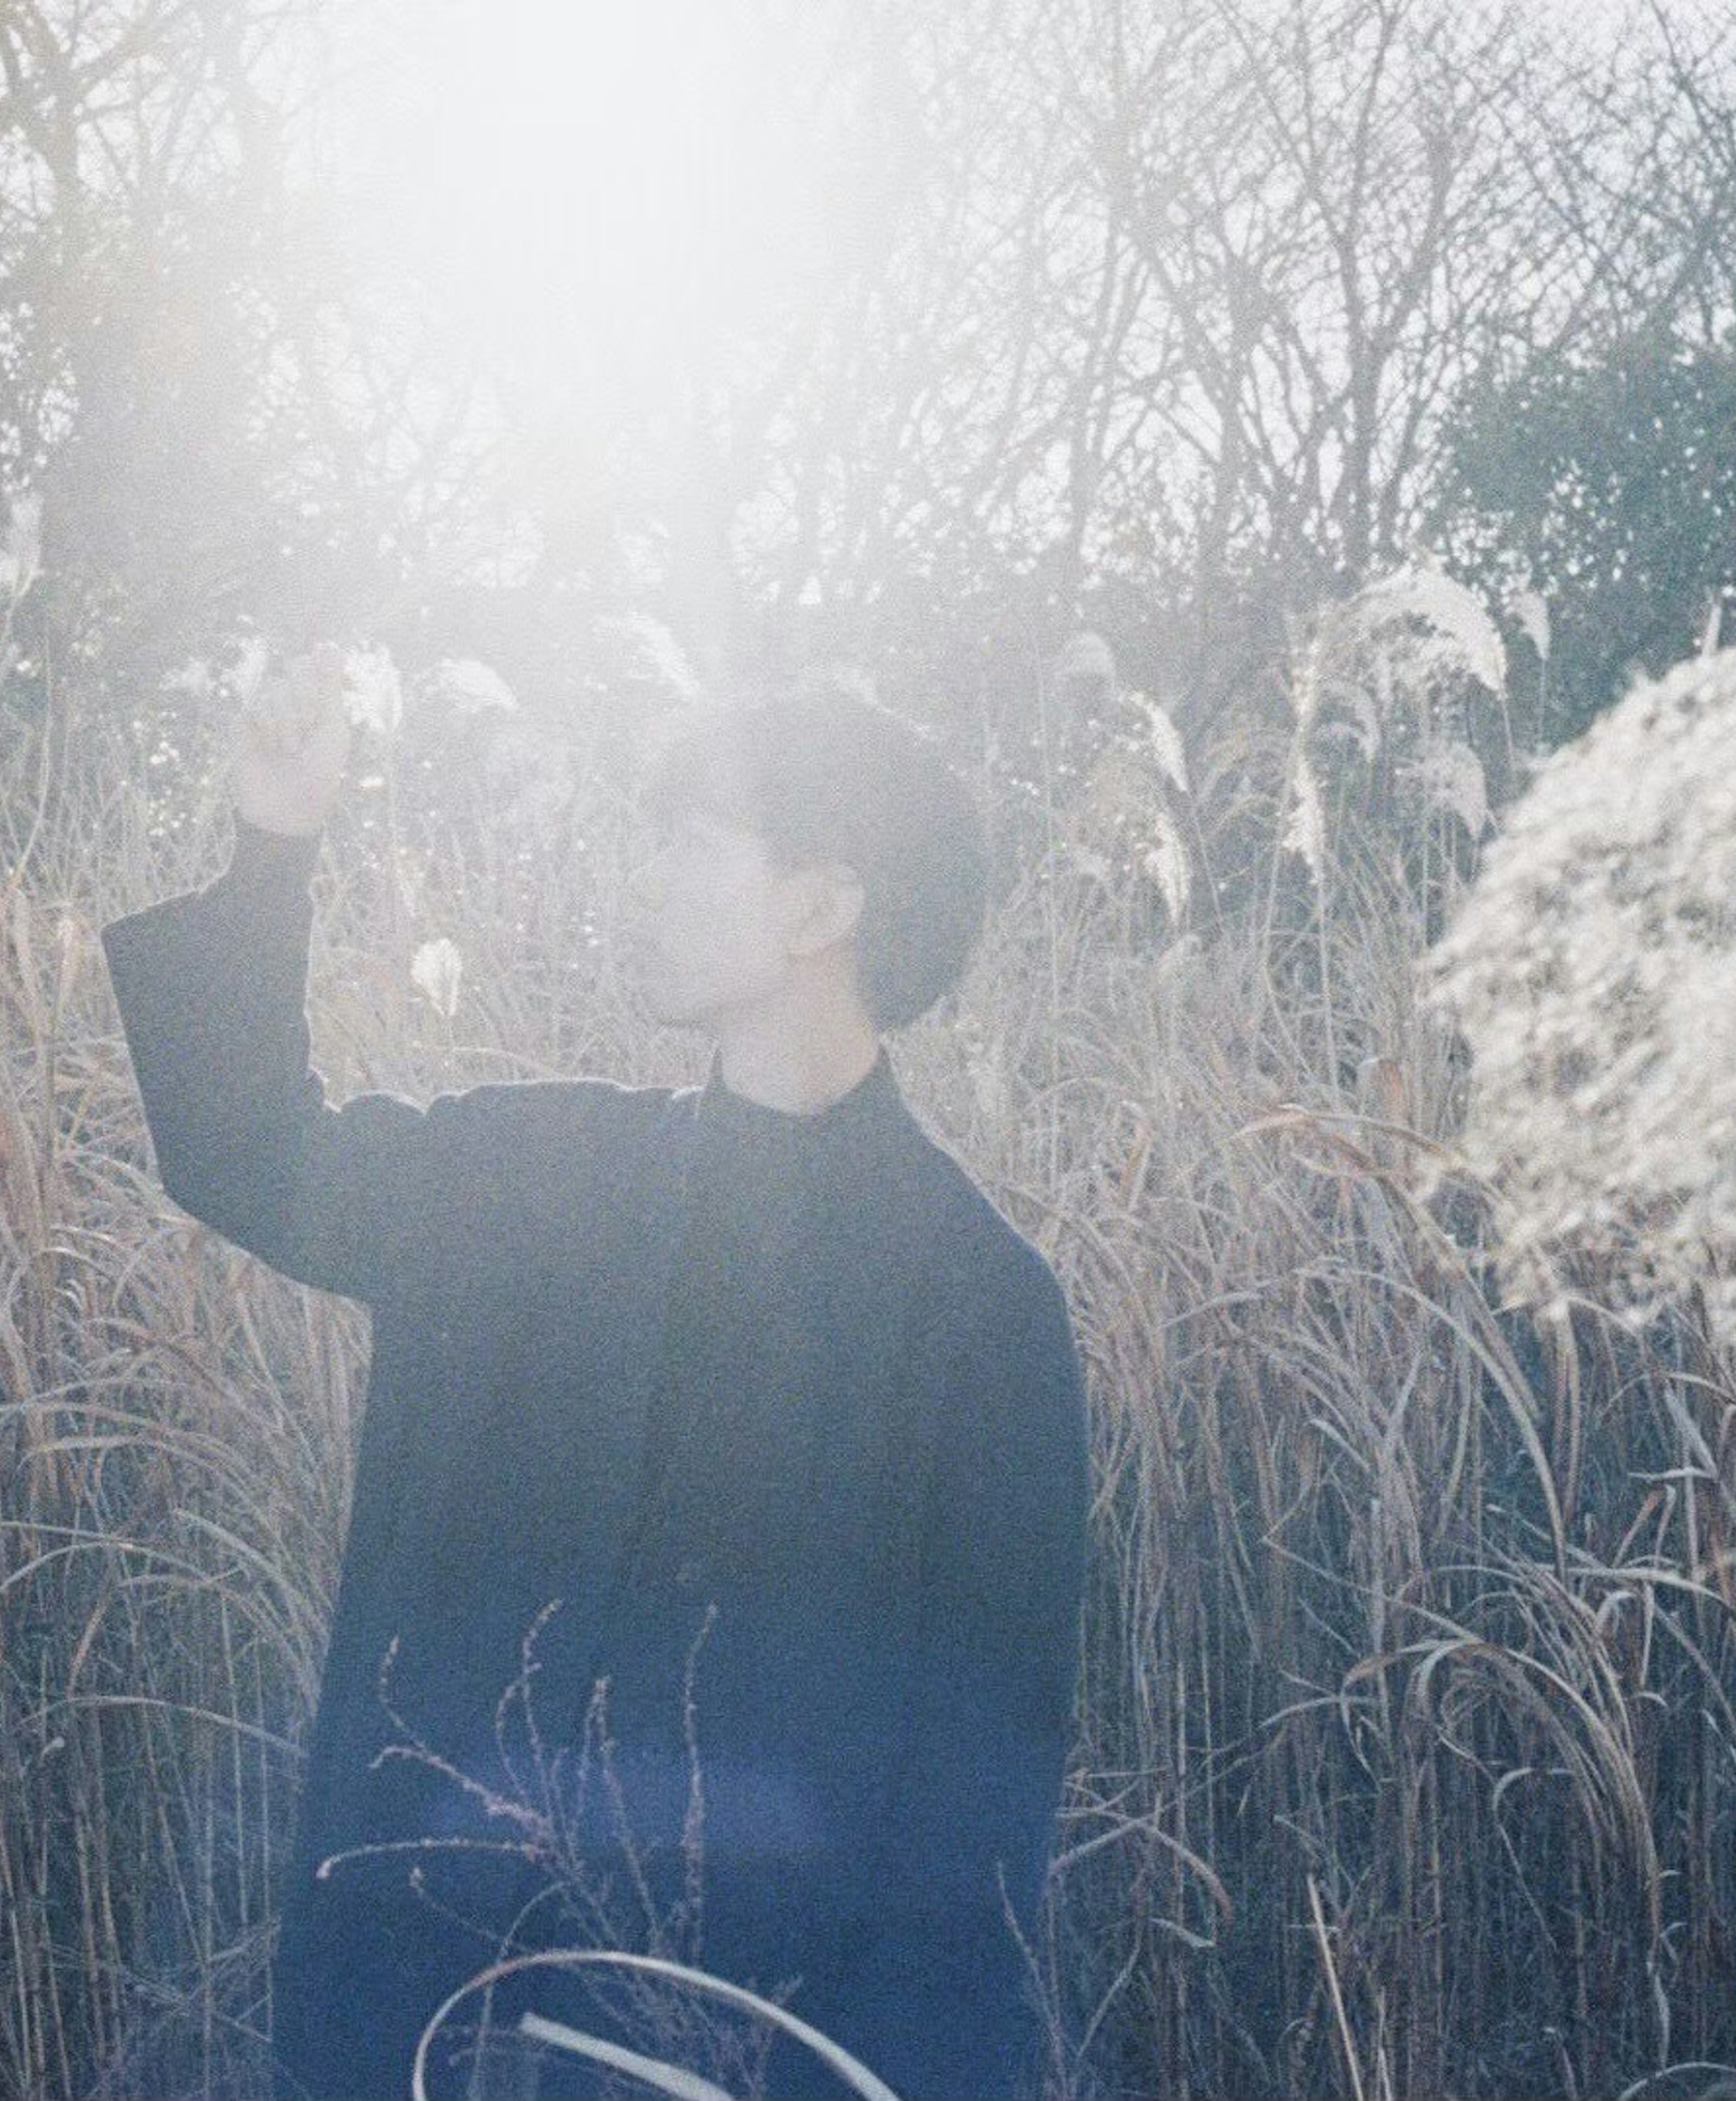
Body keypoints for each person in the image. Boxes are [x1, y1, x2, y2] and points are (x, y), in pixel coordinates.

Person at [99, 648, 1088, 2099]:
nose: (643, 879)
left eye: (691, 841)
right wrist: (275, 840)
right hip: (415, 2026)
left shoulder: (980, 1317)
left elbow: (974, 1839)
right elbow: (257, 1153)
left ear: (823, 901)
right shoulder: (539, 1175)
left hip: (734, 2062)